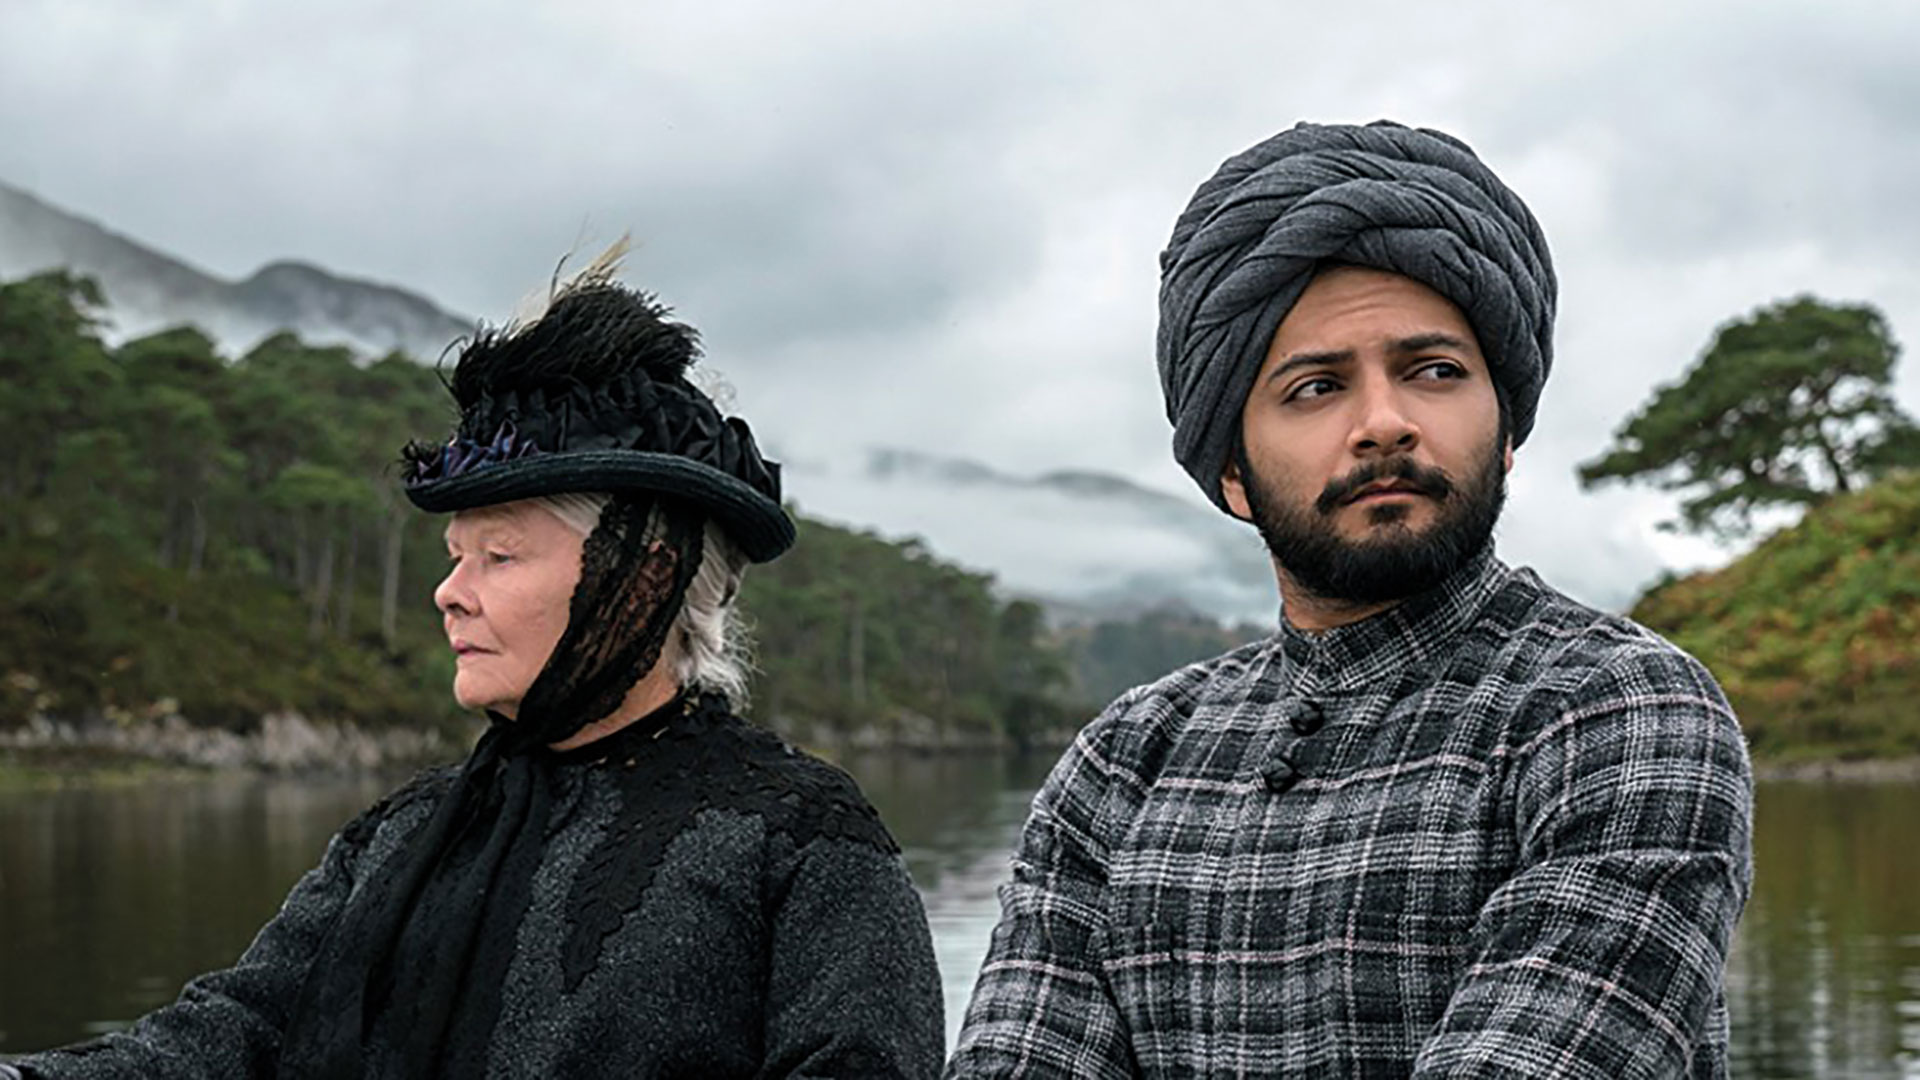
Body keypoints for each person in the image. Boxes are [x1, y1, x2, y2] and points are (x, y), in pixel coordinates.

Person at [6, 247, 945, 1079]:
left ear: (643, 573)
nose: (449, 593)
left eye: (498, 556)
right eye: (454, 556)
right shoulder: (398, 837)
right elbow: (236, 1036)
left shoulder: (806, 846)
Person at [948, 121, 1753, 1078]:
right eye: (1316, 386)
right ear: (1233, 472)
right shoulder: (1126, 763)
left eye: (1435, 372)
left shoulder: (1618, 709)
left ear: (1504, 430)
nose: (1383, 423)